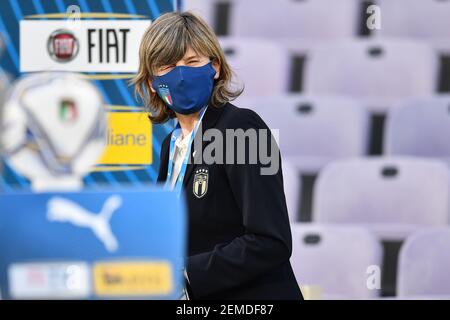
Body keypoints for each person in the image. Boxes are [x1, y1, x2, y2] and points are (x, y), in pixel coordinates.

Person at [133, 11, 302, 300]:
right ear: (151, 82)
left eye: (192, 61)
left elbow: (271, 240)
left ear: (216, 68)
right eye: (167, 66)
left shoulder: (243, 128)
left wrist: (186, 274)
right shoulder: (170, 146)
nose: (181, 74)